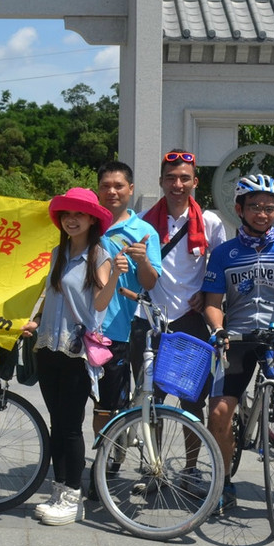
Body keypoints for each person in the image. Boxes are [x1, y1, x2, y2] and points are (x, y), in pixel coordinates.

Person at [202, 173, 274, 524]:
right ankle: (223, 485)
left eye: (269, 208)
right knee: (219, 413)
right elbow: (212, 302)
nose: (263, 214)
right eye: (254, 207)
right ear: (239, 209)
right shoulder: (224, 253)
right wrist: (219, 328)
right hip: (237, 337)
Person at [20, 188, 120, 526]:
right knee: (56, 424)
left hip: (77, 351)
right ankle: (58, 488)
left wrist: (118, 274)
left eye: (79, 214)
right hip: (48, 347)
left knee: (72, 426)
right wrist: (35, 322)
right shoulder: (57, 253)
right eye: (66, 214)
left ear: (93, 219)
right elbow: (52, 295)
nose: (71, 220)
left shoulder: (98, 256)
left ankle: (72, 497)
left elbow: (101, 303)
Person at [137, 150, 227, 488]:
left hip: (191, 319)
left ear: (195, 182)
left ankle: (191, 468)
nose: (178, 184)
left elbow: (219, 269)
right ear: (161, 181)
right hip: (153, 319)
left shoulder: (211, 222)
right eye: (171, 178)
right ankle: (154, 468)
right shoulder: (145, 221)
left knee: (192, 400)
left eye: (184, 178)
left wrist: (207, 293)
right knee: (153, 399)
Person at [94, 162, 162, 441]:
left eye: (118, 186)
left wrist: (143, 259)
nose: (112, 191)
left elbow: (150, 282)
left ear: (130, 189)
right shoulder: (87, 225)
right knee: (81, 407)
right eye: (106, 186)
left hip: (116, 332)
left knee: (108, 410)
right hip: (82, 329)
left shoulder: (145, 232)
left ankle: (106, 469)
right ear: (97, 190)